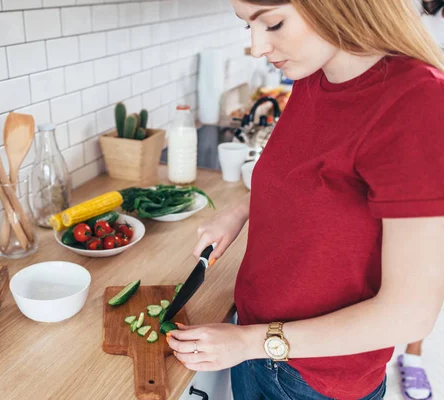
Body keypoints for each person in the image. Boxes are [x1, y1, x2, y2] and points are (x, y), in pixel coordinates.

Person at [165, 1, 444, 399]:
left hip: (317, 380)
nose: (258, 47)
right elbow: (301, 175)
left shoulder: (417, 102)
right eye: (249, 27)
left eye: (273, 23)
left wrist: (249, 343)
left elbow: (409, 315)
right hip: (255, 341)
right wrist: (241, 209)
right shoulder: (314, 75)